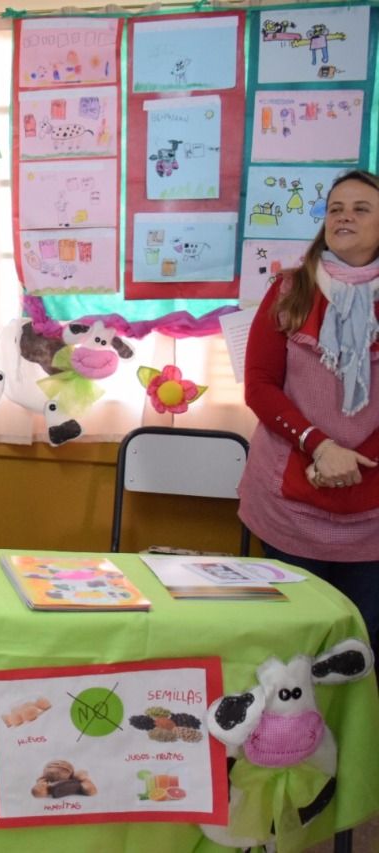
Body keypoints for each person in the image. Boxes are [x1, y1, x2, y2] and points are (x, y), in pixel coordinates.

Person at [240, 169, 379, 650]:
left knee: (360, 646)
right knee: (290, 646)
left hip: (371, 508)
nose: (344, 217)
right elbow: (259, 386)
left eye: (361, 209)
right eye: (335, 209)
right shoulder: (291, 289)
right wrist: (320, 447)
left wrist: (351, 460)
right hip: (289, 504)